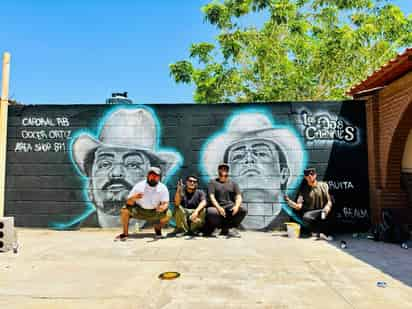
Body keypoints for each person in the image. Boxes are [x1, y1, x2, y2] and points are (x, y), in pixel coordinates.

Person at [71, 108, 182, 227]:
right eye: (105, 164)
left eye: (133, 164)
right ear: (90, 181)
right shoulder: (73, 237)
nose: (116, 173)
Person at [201, 112, 304, 230]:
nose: (249, 160)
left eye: (261, 153)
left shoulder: (292, 221)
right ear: (228, 176)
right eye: (238, 156)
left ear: (283, 174)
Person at [116, 167, 172, 240]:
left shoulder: (163, 188)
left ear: (159, 178)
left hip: (155, 211)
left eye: (156, 176)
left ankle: (157, 228)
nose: (153, 177)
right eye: (151, 175)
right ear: (148, 176)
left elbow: (165, 203)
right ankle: (125, 233)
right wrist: (133, 198)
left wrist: (162, 208)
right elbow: (128, 202)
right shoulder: (139, 186)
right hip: (139, 210)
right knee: (124, 210)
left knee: (169, 214)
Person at [284, 167, 333, 240]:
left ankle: (323, 233)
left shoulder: (324, 186)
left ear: (315, 175)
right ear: (305, 177)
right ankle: (317, 234)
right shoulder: (303, 190)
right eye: (307, 174)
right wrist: (289, 202)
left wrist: (327, 207)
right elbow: (298, 206)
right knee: (306, 217)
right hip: (311, 215)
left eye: (312, 174)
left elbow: (329, 201)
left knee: (325, 214)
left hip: (323, 212)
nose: (310, 176)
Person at [204, 163, 247, 238]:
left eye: (225, 169)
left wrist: (236, 206)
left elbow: (239, 196)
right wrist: (218, 207)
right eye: (222, 168)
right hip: (218, 208)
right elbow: (211, 196)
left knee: (243, 210)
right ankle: (217, 228)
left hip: (230, 208)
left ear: (228, 171)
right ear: (218, 170)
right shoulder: (213, 183)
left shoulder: (233, 184)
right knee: (210, 211)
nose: (223, 170)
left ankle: (230, 228)